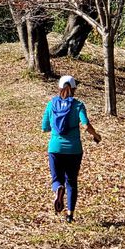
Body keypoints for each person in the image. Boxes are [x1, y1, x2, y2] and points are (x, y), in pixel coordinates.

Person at [41, 74, 101, 223]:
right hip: (74, 150)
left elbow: (44, 128)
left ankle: (58, 189)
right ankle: (70, 215)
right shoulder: (78, 105)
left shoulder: (51, 104)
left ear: (59, 88)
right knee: (72, 182)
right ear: (74, 89)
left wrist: (56, 127)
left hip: (55, 148)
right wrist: (96, 136)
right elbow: (86, 125)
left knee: (57, 179)